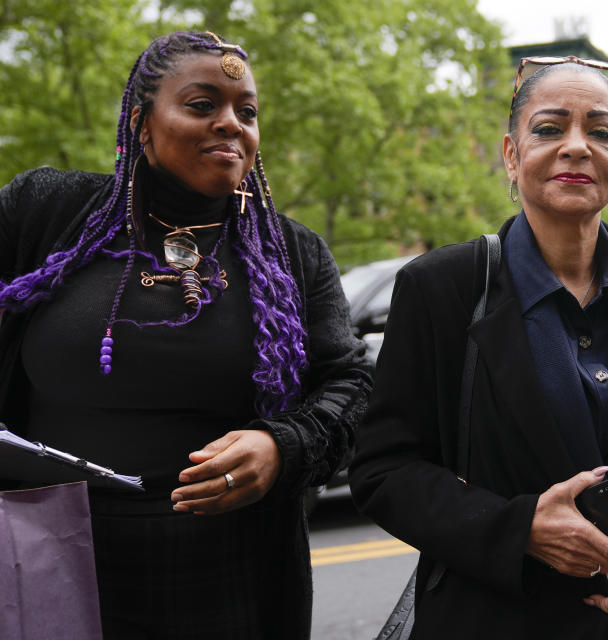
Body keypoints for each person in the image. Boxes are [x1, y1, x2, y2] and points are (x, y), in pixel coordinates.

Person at [0, 31, 371, 639]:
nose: (231, 124)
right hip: (45, 556)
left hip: (227, 571)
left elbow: (351, 384)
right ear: (143, 124)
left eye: (246, 112)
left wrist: (284, 447)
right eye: (203, 105)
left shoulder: (293, 253)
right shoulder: (44, 212)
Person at [350, 57, 608, 639]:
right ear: (511, 154)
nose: (577, 146)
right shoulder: (441, 286)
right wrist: (520, 527)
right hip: (494, 619)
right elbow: (384, 469)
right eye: (550, 128)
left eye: (600, 131)